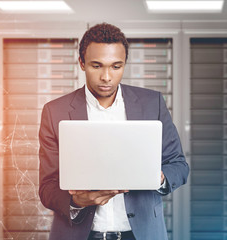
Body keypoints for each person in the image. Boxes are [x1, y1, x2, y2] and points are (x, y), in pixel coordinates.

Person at [38, 23, 189, 240]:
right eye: (97, 66)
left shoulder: (152, 103)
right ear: (82, 63)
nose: (107, 77)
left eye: (116, 66)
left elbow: (179, 166)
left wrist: (159, 177)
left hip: (141, 234)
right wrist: (78, 200)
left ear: (124, 64)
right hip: (79, 234)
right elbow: (47, 187)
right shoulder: (54, 111)